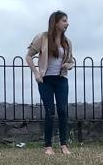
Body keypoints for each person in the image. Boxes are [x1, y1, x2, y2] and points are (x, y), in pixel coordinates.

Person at [25, 11, 75, 155]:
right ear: (56, 22)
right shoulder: (43, 37)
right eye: (64, 21)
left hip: (61, 80)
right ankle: (48, 146)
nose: (67, 23)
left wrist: (68, 66)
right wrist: (36, 73)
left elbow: (71, 61)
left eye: (67, 20)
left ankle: (64, 145)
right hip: (45, 80)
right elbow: (28, 56)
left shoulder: (67, 42)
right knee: (49, 111)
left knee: (62, 110)